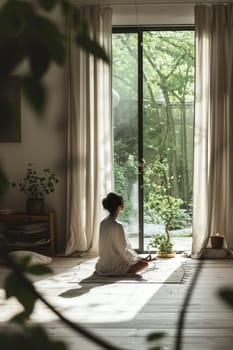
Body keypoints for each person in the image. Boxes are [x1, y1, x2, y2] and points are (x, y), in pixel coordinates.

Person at [95, 192, 157, 276]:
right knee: (144, 264)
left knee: (141, 263)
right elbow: (124, 252)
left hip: (102, 266)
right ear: (120, 206)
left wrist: (138, 258)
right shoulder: (118, 226)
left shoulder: (103, 223)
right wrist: (140, 259)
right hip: (114, 266)